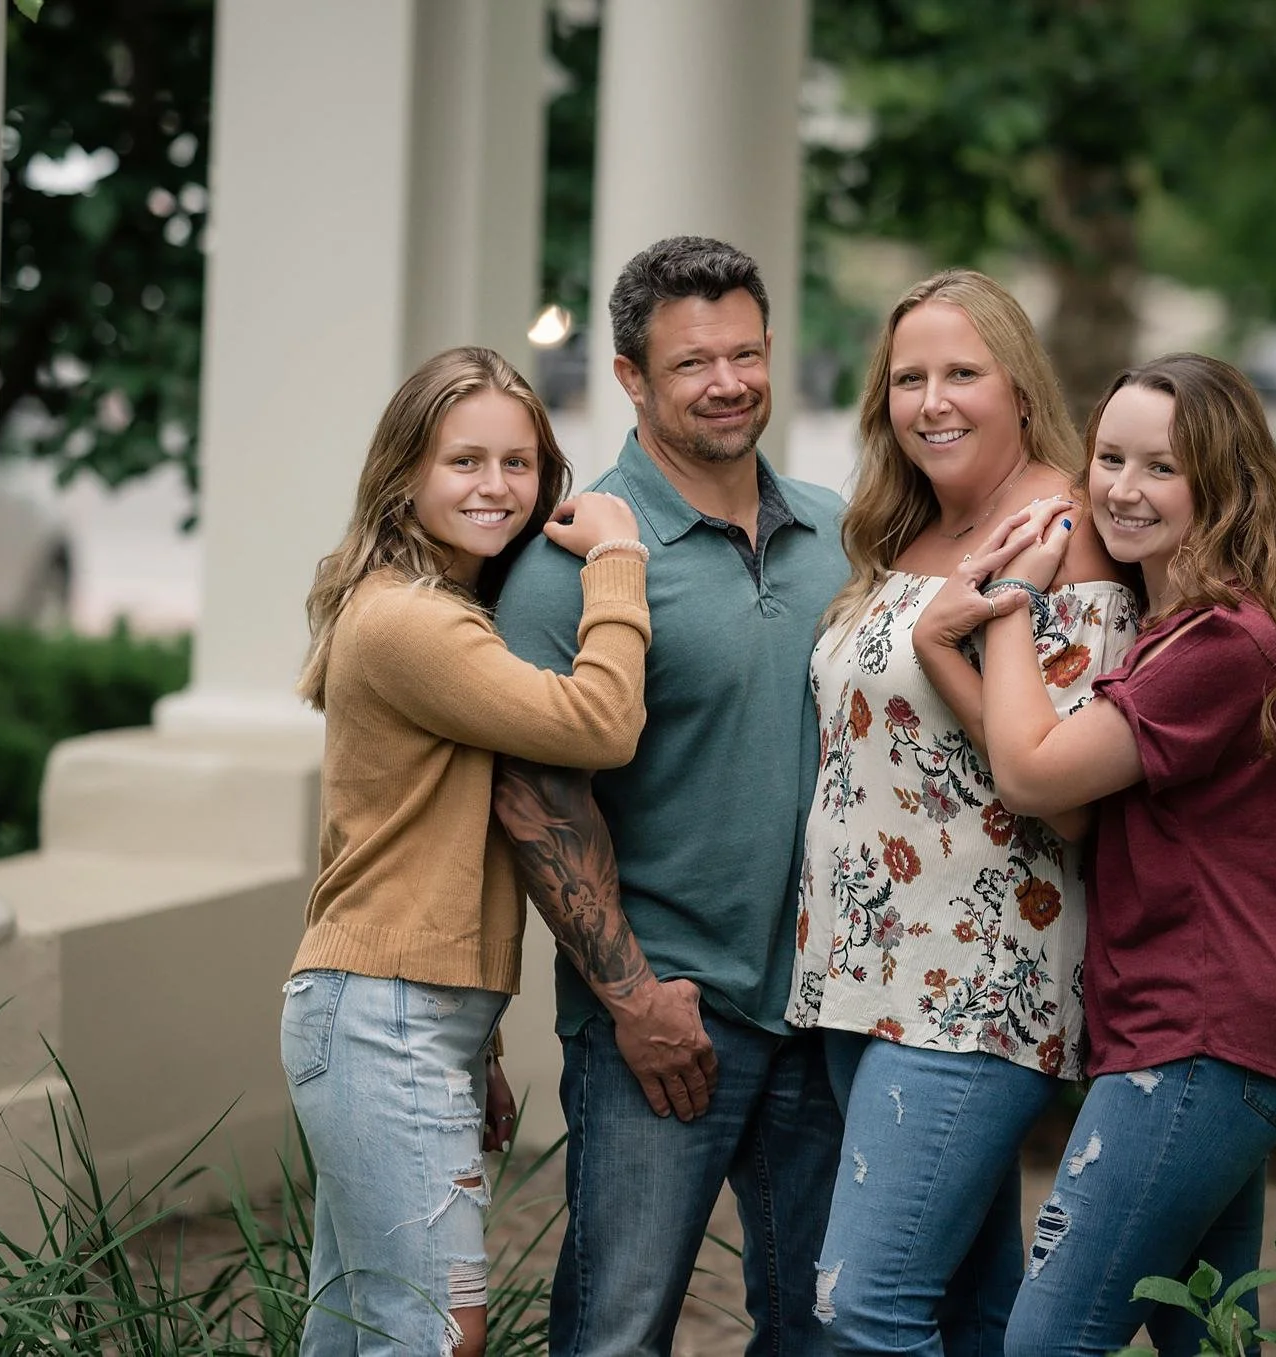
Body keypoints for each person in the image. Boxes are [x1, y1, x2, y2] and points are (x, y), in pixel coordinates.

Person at [931, 353, 1276, 1356]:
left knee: (1047, 1339)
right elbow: (1065, 797)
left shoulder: (1225, 642)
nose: (1122, 489)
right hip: (1196, 1034)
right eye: (1109, 459)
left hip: (1199, 1036)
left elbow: (1035, 777)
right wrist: (946, 655)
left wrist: (1006, 608)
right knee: (1204, 1335)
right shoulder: (1170, 635)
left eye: (1160, 467)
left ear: (1222, 484)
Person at [492, 236, 850, 1356]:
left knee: (820, 1329)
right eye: (694, 362)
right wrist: (633, 997)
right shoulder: (575, 558)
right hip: (665, 1018)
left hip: (826, 1014)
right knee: (617, 1330)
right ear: (632, 378)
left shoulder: (839, 535)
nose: (730, 381)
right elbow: (536, 797)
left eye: (746, 352)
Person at [788, 270, 1138, 1354]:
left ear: (1019, 387)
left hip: (976, 978)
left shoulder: (1065, 534)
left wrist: (968, 635)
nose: (931, 401)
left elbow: (1069, 799)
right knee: (967, 1310)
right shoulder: (903, 530)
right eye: (908, 379)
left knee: (864, 1305)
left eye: (961, 373)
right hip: (858, 973)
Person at [279, 346, 650, 1357]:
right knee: (439, 1332)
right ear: (405, 473)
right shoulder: (411, 622)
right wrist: (620, 560)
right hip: (380, 1011)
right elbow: (601, 721)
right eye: (464, 462)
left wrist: (474, 1042)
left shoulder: (439, 611)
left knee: (359, 1329)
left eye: (517, 463)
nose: (495, 487)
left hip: (400, 1009)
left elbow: (430, 847)